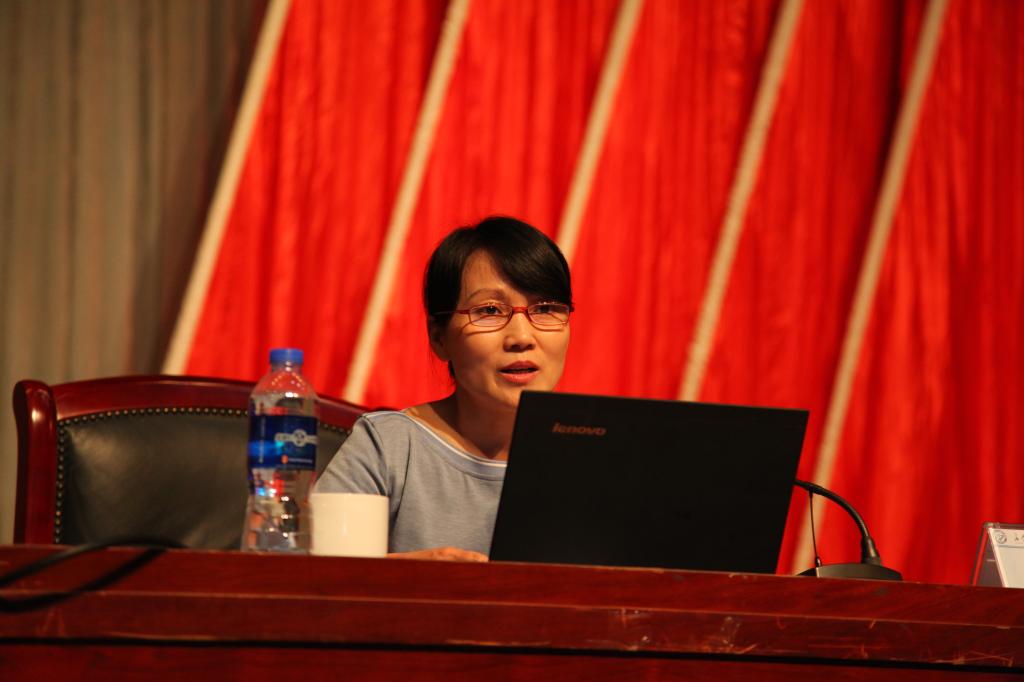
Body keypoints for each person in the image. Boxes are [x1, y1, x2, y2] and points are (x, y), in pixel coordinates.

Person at [316, 216, 573, 561]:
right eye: (490, 310)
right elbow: (312, 578)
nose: (522, 337)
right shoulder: (391, 447)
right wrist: (416, 577)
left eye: (545, 309)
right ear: (439, 337)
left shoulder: (599, 458)